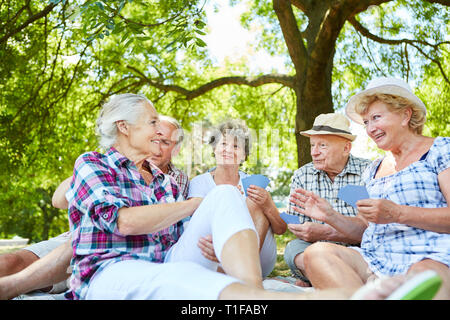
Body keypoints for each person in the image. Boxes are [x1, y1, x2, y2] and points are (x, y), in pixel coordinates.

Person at [0, 115, 190, 299]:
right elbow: (58, 200)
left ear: (176, 149)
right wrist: (91, 179)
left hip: (129, 252)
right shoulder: (107, 163)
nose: (157, 145)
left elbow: (167, 227)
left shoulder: (174, 181)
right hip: (79, 239)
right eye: (154, 137)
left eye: (165, 142)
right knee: (10, 263)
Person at [296, 77, 450, 299]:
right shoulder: (373, 169)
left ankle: (376, 292)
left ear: (405, 115)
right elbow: (364, 228)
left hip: (428, 255)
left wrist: (398, 213)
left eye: (376, 117)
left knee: (427, 278)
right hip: (373, 258)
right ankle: (374, 292)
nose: (370, 129)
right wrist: (330, 215)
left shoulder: (440, 150)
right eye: (366, 122)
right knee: (316, 254)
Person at [188, 120, 286, 278]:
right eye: (224, 144)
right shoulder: (199, 183)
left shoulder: (253, 183)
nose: (228, 150)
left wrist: (267, 204)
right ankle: (240, 273)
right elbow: (197, 226)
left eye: (236, 146)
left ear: (244, 155)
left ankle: (242, 268)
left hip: (258, 260)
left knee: (254, 199)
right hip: (215, 253)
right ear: (214, 148)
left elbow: (281, 229)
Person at [283, 113, 371, 286]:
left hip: (360, 249)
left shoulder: (368, 171)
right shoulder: (302, 175)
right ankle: (346, 278)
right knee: (293, 249)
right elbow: (297, 222)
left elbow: (371, 230)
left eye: (322, 145)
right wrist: (301, 228)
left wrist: (325, 231)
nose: (314, 152)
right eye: (312, 145)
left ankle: (322, 278)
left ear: (346, 148)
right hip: (316, 247)